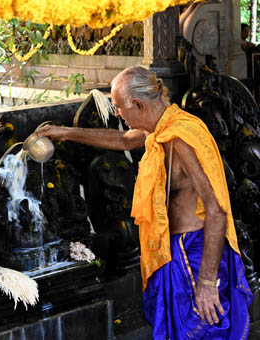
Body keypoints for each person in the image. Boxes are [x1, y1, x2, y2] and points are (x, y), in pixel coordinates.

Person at [38, 66, 252, 339]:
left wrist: (208, 282)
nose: (117, 114)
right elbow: (123, 140)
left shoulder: (180, 138)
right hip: (170, 252)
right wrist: (64, 132)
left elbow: (216, 210)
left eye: (118, 107)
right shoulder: (157, 129)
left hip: (195, 255)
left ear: (138, 104)